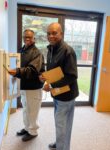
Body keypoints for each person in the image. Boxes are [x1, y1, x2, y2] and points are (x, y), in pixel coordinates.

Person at [40, 22, 79, 150]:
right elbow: (53, 70)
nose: (51, 36)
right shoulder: (51, 49)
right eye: (49, 33)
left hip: (66, 96)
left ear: (61, 34)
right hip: (57, 93)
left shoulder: (68, 51)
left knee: (63, 125)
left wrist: (52, 85)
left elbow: (71, 76)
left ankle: (63, 147)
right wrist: (46, 79)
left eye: (54, 33)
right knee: (59, 123)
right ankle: (59, 143)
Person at [8, 29, 45, 142]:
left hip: (33, 87)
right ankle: (27, 128)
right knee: (25, 109)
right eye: (25, 37)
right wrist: (15, 73)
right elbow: (18, 65)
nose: (27, 39)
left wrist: (17, 72)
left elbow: (32, 70)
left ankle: (33, 131)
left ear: (34, 39)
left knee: (32, 110)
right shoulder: (22, 50)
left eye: (30, 37)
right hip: (24, 86)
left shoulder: (36, 52)